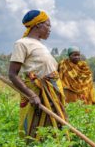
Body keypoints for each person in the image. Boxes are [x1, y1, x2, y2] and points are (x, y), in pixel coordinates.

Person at [8, 10, 68, 139]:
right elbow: (12, 74)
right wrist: (31, 94)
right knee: (33, 124)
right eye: (48, 25)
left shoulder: (40, 45)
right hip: (37, 92)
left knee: (52, 124)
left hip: (51, 91)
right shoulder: (22, 43)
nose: (50, 29)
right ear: (38, 25)